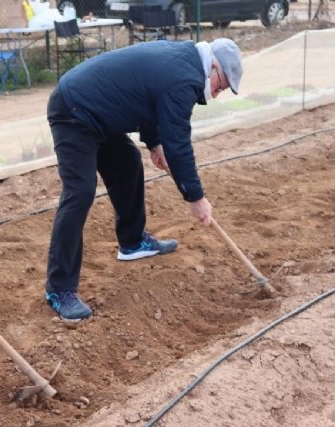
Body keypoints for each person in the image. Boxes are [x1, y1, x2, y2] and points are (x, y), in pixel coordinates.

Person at [44, 38, 243, 321]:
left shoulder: (181, 60)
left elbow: (147, 94)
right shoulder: (184, 78)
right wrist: (195, 198)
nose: (217, 93)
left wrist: (153, 142)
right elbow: (179, 143)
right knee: (80, 191)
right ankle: (59, 289)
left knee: (127, 161)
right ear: (213, 65)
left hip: (98, 112)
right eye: (220, 85)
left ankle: (132, 242)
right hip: (74, 110)